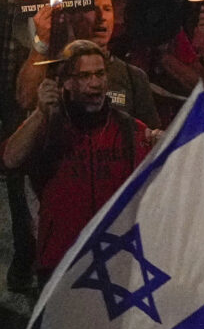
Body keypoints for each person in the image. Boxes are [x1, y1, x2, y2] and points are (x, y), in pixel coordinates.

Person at [2, 38, 154, 280]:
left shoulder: (126, 127)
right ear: (67, 82)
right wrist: (40, 113)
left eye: (100, 74)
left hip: (114, 260)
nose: (95, 84)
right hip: (61, 264)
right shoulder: (48, 125)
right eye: (85, 76)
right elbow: (10, 158)